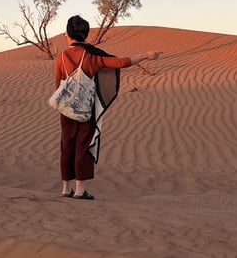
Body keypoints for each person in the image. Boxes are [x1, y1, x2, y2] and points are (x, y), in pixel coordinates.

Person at [55, 15, 160, 200]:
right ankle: (79, 191)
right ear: (85, 35)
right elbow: (121, 63)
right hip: (86, 108)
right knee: (83, 145)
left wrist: (64, 105)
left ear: (68, 34)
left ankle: (65, 188)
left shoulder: (62, 57)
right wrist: (146, 55)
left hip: (66, 109)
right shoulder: (92, 56)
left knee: (67, 145)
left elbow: (58, 85)